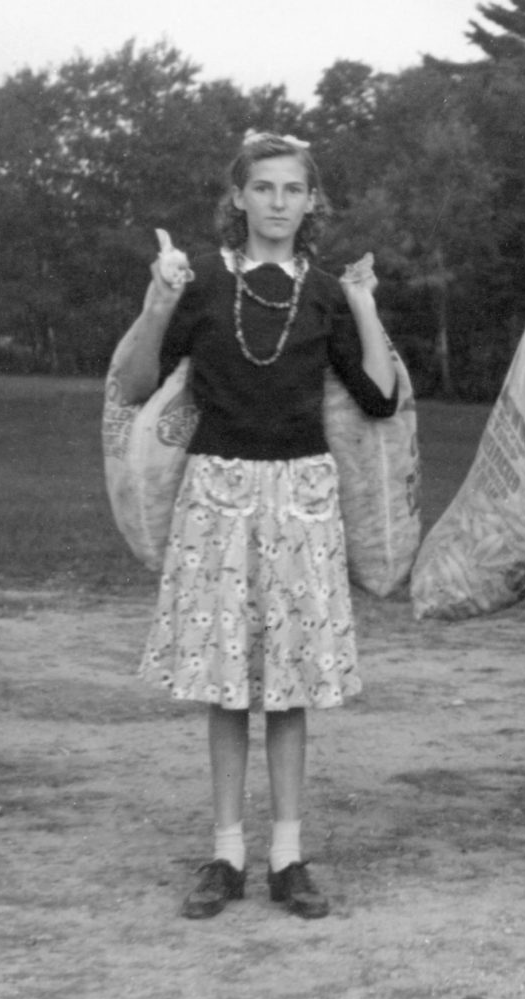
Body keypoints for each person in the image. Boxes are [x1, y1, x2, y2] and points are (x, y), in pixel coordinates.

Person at [114, 132, 399, 920]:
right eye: (264, 188)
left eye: (292, 189)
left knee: (291, 685)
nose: (278, 202)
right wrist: (159, 299)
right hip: (219, 494)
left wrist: (366, 305)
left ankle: (287, 856)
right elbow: (137, 385)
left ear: (312, 202)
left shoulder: (324, 296)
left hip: (301, 497)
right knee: (226, 684)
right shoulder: (203, 283)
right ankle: (227, 852)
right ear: (238, 197)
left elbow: (377, 398)